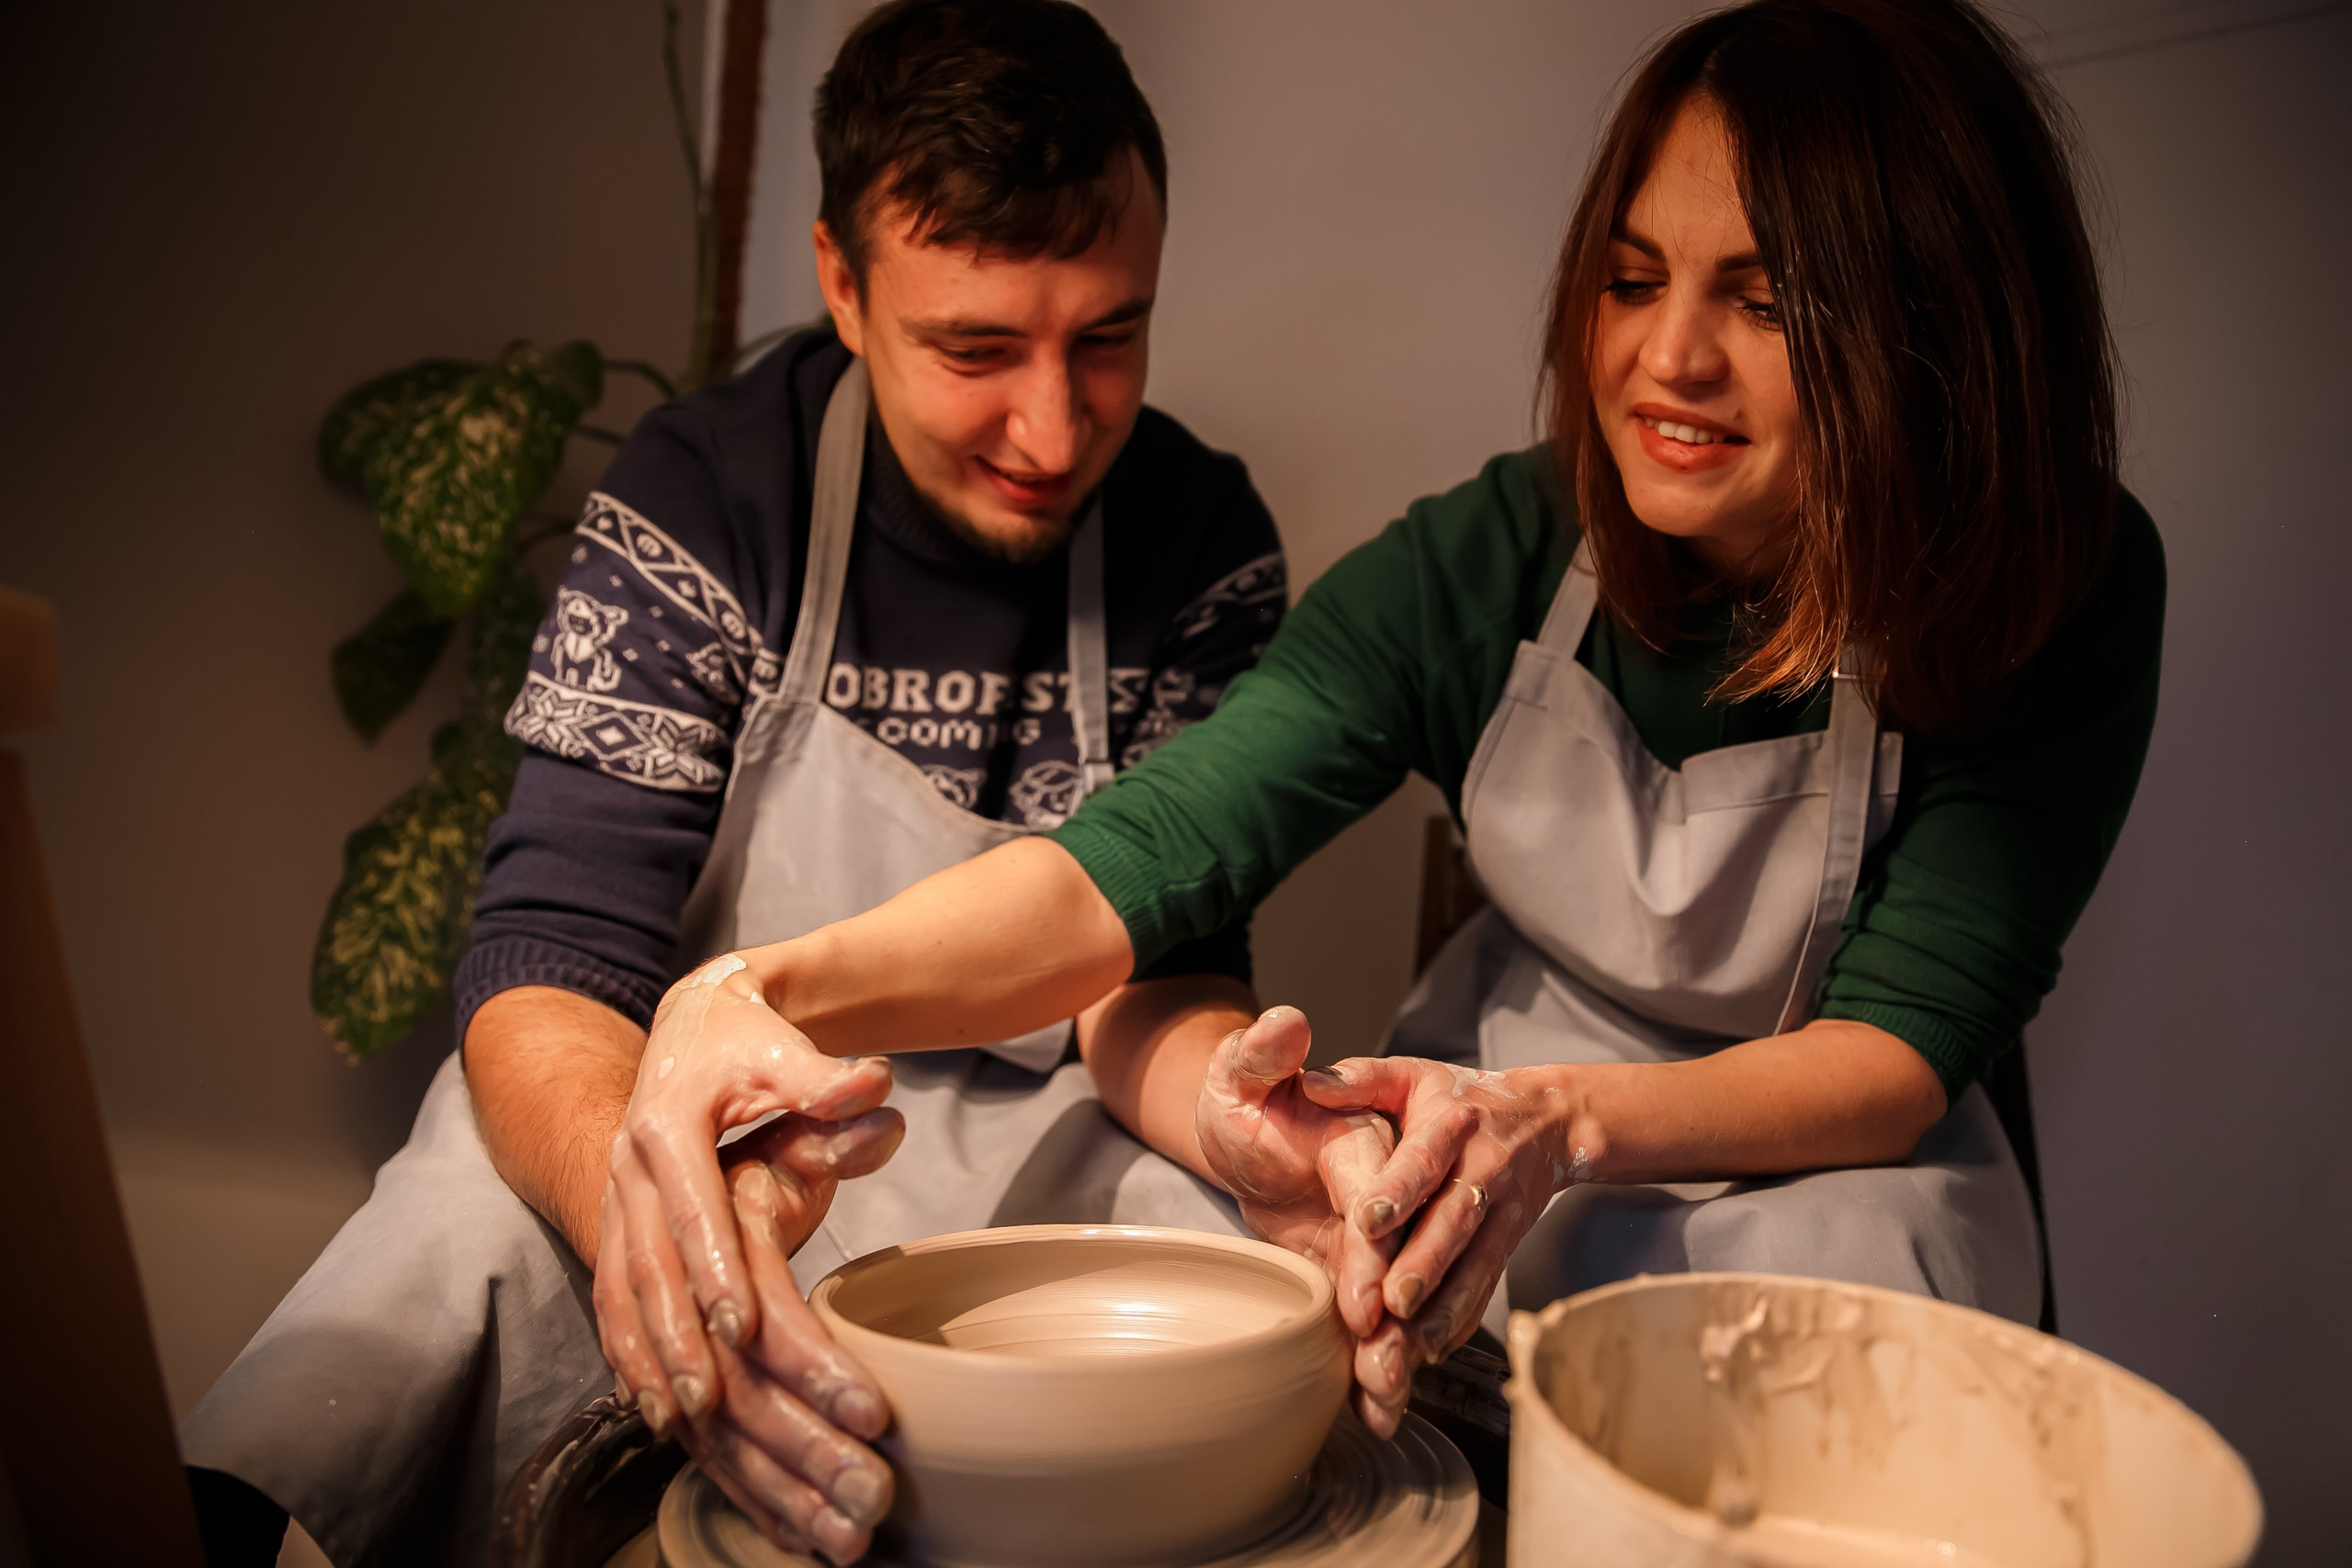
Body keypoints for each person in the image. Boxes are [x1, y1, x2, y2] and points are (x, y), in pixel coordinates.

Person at [598, 0, 2164, 1518]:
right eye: (1631, 281)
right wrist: (762, 991)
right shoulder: (1497, 556)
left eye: (1767, 302)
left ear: (1935, 325)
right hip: (1500, 1093)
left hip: (1843, 1155)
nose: (1670, 358)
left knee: (1817, 1416)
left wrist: (1569, 1125)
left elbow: (1898, 1050)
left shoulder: (2060, 584)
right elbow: (1140, 861)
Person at [178, 4, 1288, 1563]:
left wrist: (1253, 1121)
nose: (1053, 428)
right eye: (975, 349)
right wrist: (662, 1219)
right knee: (454, 1229)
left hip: (1050, 1126)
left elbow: (1158, 980)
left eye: (1109, 336)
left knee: (1233, 1274)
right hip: (701, 1115)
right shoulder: (708, 496)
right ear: (843, 284)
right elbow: (552, 959)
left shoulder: (1200, 539)